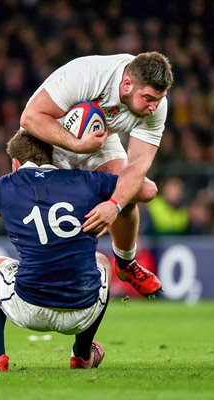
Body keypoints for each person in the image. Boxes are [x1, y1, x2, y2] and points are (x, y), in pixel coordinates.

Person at [0, 129, 123, 371]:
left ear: (15, 162)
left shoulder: (6, 186)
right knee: (102, 261)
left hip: (29, 307)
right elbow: (141, 187)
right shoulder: (88, 181)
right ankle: (83, 355)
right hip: (82, 310)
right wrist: (112, 202)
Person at [20, 51, 173, 296]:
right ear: (126, 84)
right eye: (147, 98)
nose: (153, 106)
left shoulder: (156, 106)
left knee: (139, 191)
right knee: (50, 206)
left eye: (158, 99)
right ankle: (41, 276)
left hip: (98, 141)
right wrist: (77, 145)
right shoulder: (87, 74)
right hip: (45, 142)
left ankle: (126, 264)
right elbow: (30, 117)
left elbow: (137, 167)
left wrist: (114, 205)